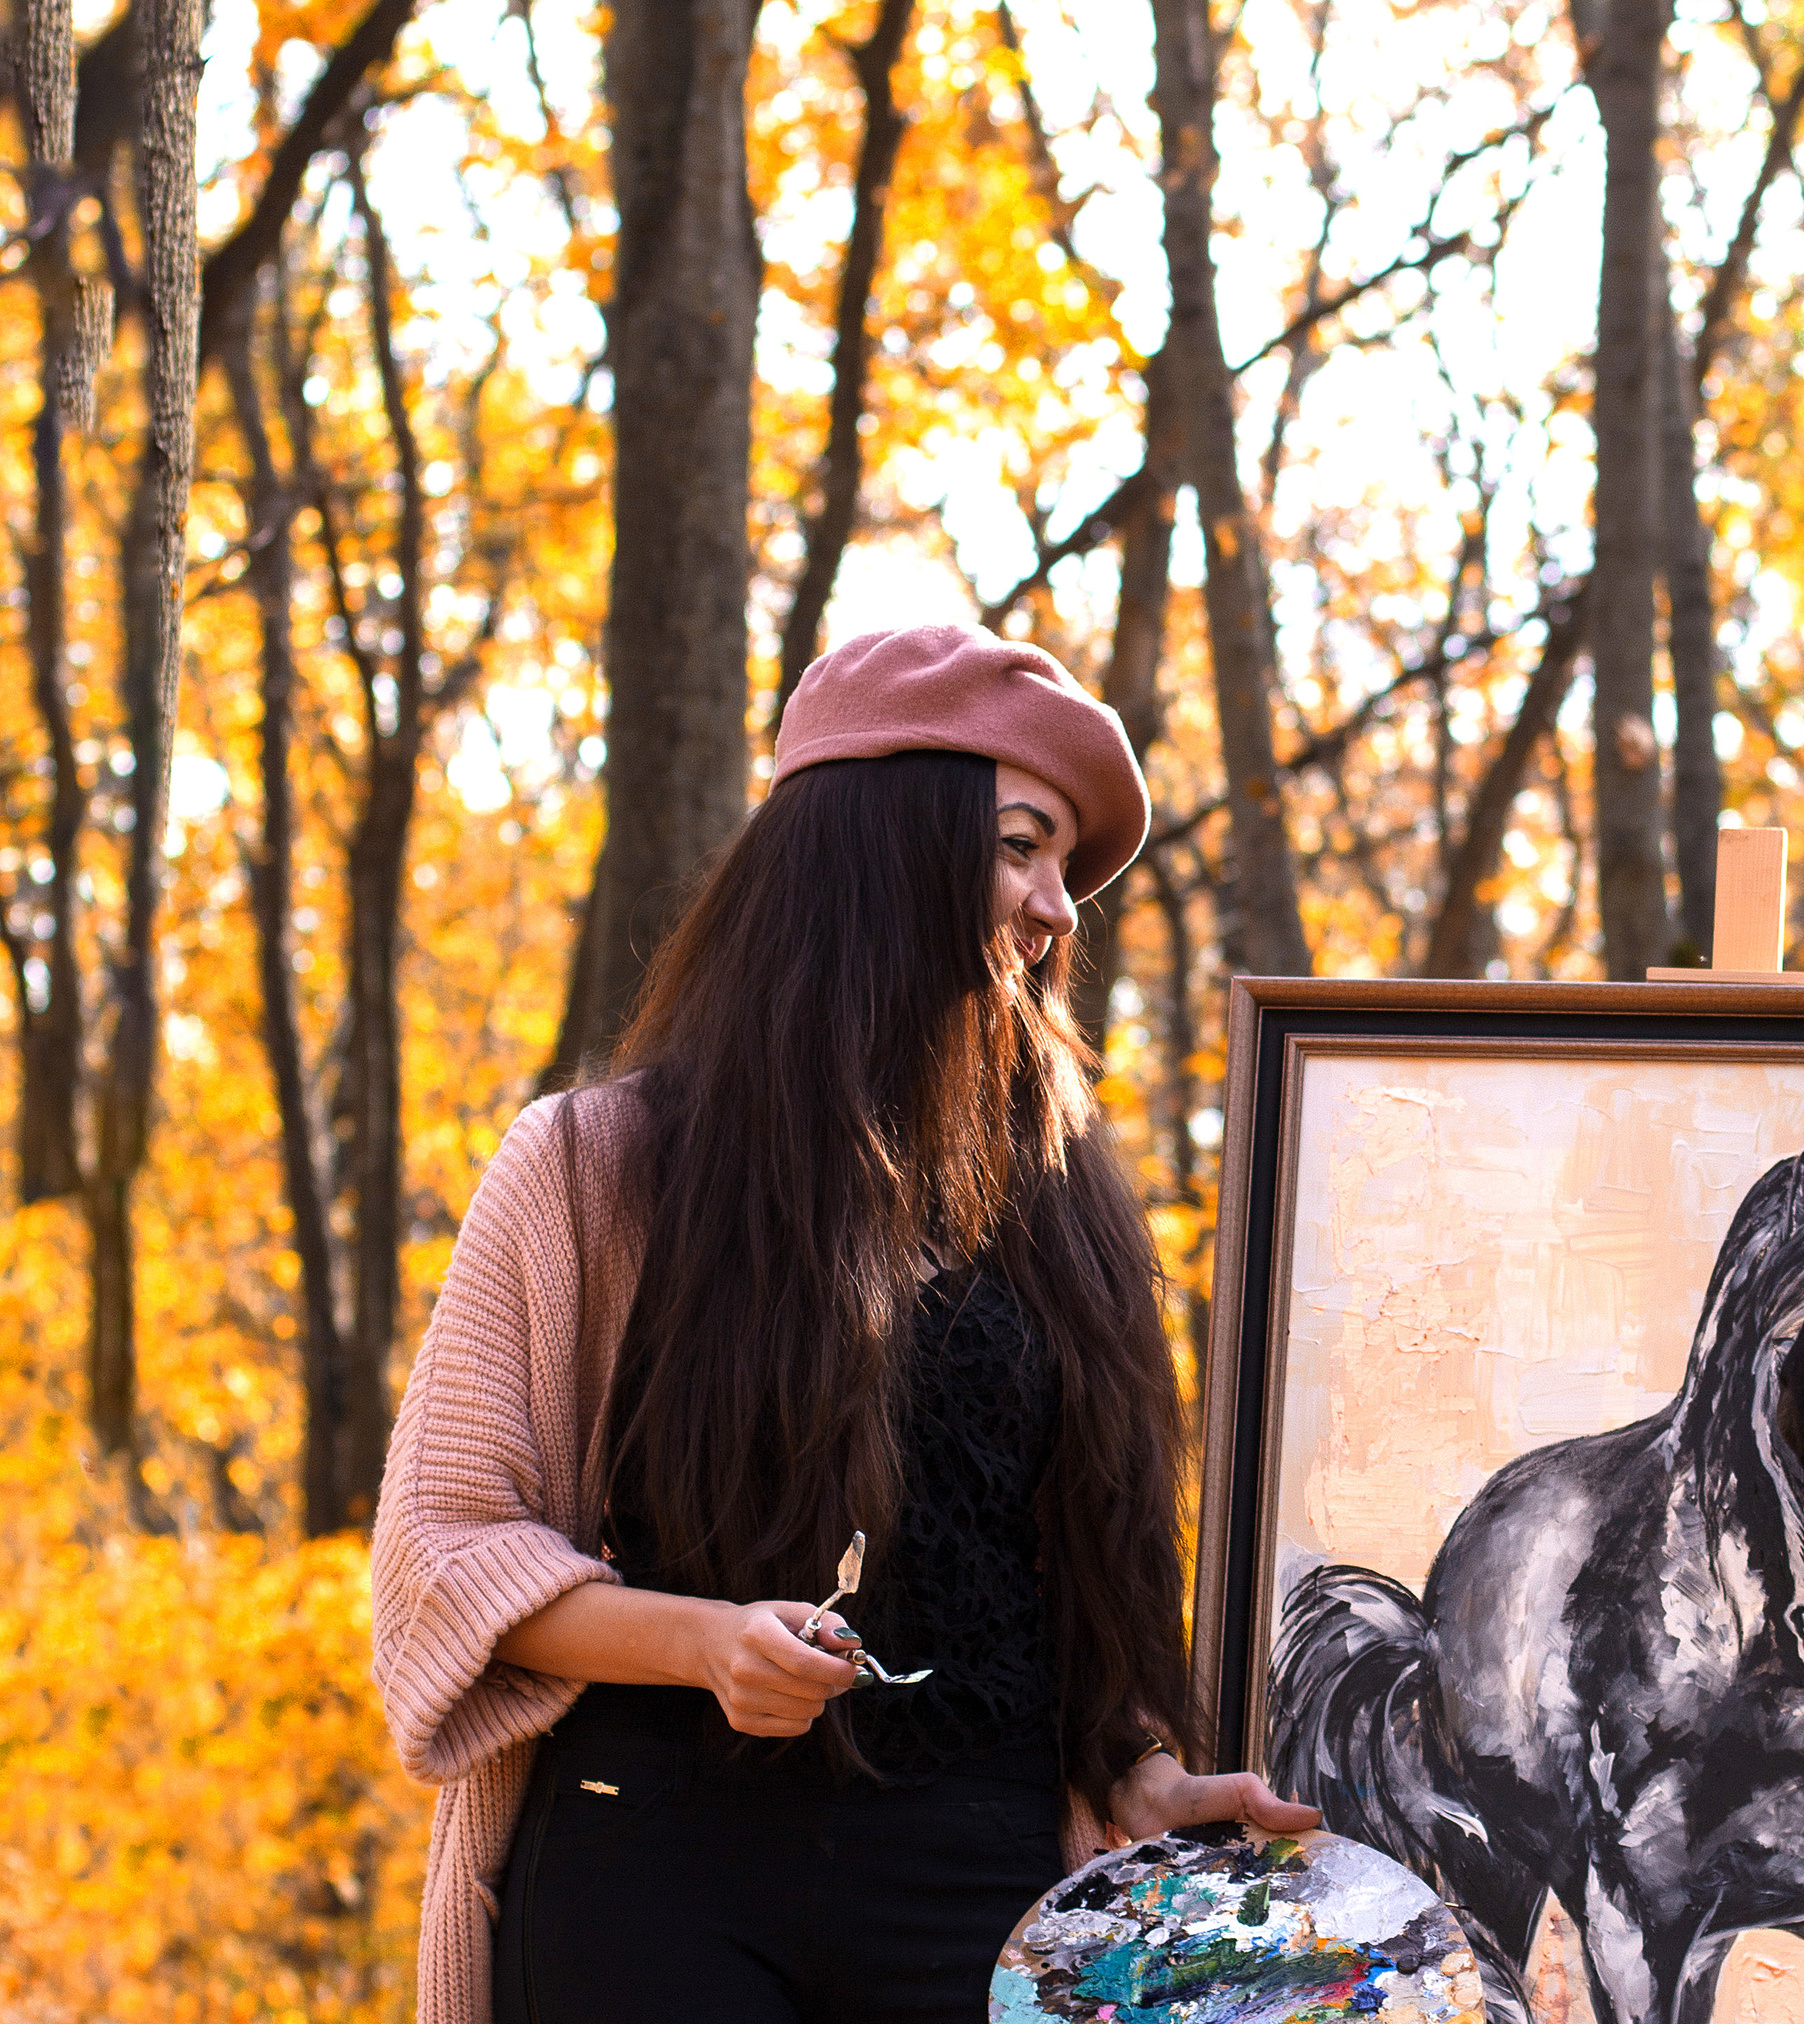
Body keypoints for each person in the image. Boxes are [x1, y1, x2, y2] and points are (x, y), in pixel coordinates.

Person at [371, 623, 1317, 2024]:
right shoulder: (595, 1169)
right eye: (1019, 844)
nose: (1057, 907)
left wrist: (1131, 1772)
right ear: (879, 847)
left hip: (987, 1895)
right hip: (653, 1866)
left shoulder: (1067, 1215)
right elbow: (445, 1556)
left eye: (1066, 870)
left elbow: (1056, 1592)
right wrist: (701, 1643)